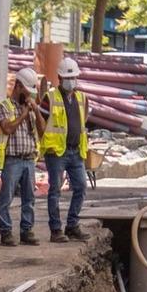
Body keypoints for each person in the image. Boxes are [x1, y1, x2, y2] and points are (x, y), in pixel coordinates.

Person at [41, 58, 91, 241]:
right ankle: (55, 230)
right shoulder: (50, 97)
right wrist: (47, 146)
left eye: (74, 77)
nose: (71, 81)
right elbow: (41, 124)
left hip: (76, 151)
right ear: (60, 78)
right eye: (68, 77)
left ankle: (72, 225)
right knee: (55, 190)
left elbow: (83, 121)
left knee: (81, 187)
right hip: (56, 152)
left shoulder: (81, 98)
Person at [0, 67, 44, 246]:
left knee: (29, 199)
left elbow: (42, 130)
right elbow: (7, 128)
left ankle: (26, 231)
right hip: (12, 160)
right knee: (6, 198)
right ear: (18, 86)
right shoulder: (4, 107)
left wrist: (36, 111)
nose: (29, 96)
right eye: (27, 91)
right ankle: (6, 232)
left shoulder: (30, 108)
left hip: (29, 159)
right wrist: (23, 114)